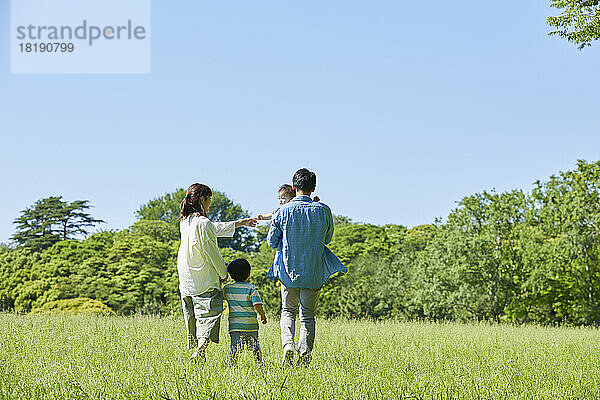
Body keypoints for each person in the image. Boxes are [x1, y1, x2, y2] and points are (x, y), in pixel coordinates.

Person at [267, 168, 347, 366]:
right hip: (313, 271)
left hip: (288, 271)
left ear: (294, 187)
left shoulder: (281, 211)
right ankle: (305, 354)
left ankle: (288, 346)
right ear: (314, 188)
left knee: (288, 311)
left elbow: (271, 242)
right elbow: (327, 239)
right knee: (307, 315)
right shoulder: (324, 210)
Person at [177, 183, 258, 361]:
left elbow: (214, 228)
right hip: (203, 279)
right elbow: (211, 251)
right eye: (209, 200)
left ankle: (198, 351)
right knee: (208, 316)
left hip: (186, 279)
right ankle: (200, 351)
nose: (210, 204)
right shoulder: (202, 223)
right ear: (202, 199)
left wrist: (241, 223)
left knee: (193, 317)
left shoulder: (186, 221)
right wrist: (223, 273)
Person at [223, 258, 267, 365]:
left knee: (235, 347)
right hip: (250, 325)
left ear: (231, 275)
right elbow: (257, 304)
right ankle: (259, 364)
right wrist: (262, 315)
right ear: (248, 274)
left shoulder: (227, 288)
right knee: (255, 346)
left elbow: (220, 298)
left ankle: (233, 365)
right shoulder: (252, 288)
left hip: (235, 325)